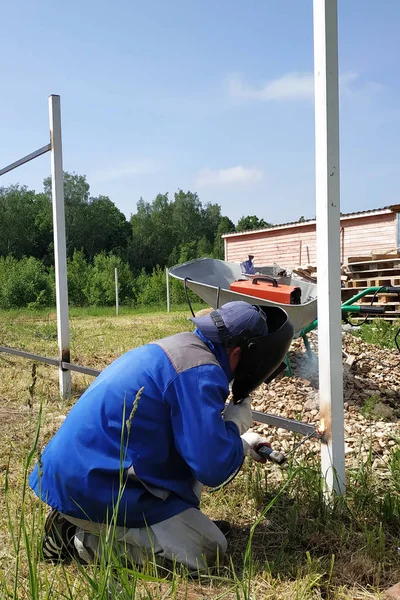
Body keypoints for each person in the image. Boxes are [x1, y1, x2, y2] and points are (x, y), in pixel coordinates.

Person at [29, 301, 293, 572]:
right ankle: (76, 538)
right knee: (207, 549)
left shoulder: (183, 349)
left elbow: (192, 440)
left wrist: (242, 444)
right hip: (91, 486)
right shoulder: (201, 371)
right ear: (238, 353)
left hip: (80, 473)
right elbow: (211, 468)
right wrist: (235, 425)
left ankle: (91, 522)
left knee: (194, 516)